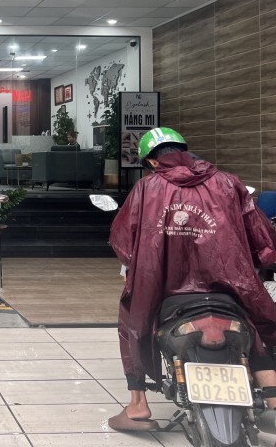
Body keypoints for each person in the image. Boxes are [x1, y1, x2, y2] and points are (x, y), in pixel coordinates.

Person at [107, 127, 276, 432]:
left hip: (163, 288)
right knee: (256, 322)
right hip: (229, 286)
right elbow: (264, 242)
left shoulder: (146, 188)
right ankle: (273, 398)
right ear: (185, 150)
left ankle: (138, 404)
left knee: (133, 321)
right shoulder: (229, 183)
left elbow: (123, 244)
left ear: (152, 162)